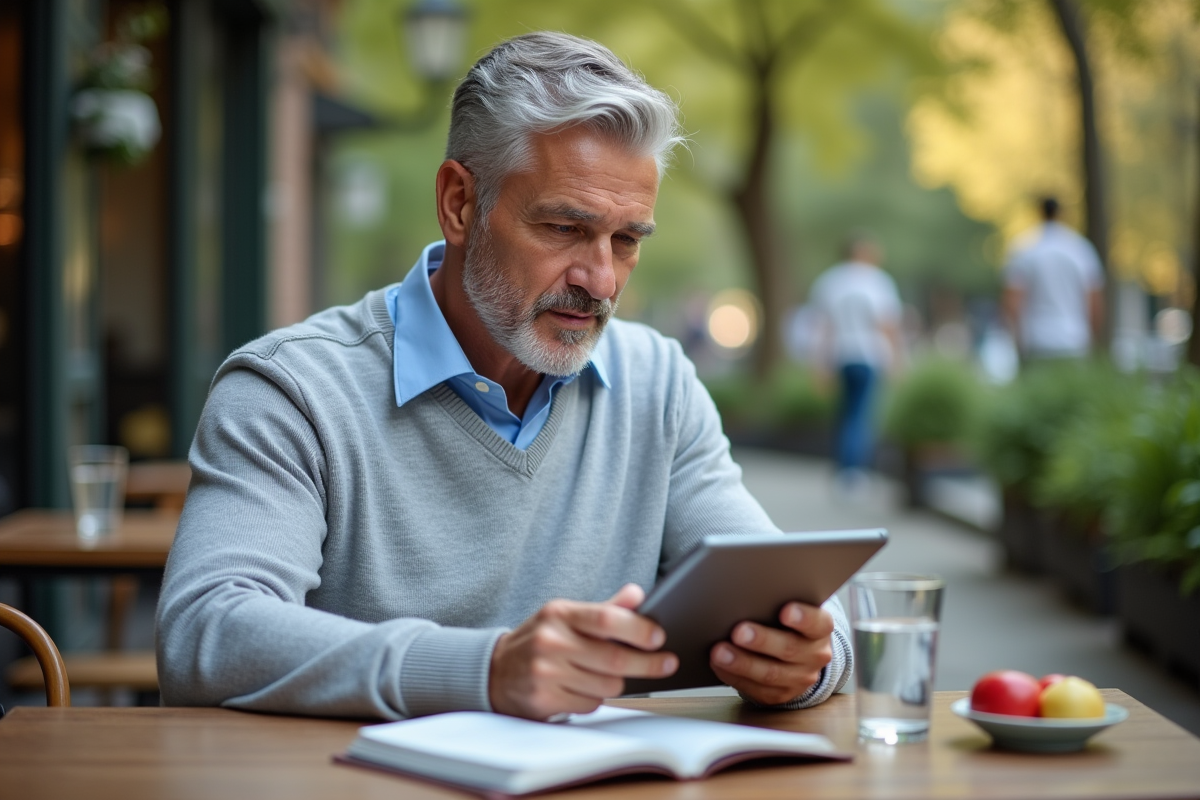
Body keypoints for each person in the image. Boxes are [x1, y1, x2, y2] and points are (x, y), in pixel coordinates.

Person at [156, 32, 852, 722]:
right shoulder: (293, 390)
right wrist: (484, 671)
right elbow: (206, 631)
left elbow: (794, 596)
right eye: (561, 228)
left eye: (628, 239)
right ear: (460, 203)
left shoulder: (658, 383)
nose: (601, 279)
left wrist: (807, 663)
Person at [808, 236, 903, 487]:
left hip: (841, 355)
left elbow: (823, 328)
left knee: (844, 413)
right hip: (869, 355)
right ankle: (854, 471)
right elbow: (887, 324)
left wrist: (820, 365)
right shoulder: (878, 281)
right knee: (861, 415)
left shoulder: (830, 280)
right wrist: (896, 358)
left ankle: (842, 468)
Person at [1003, 197, 1105, 360]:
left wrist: (1017, 341)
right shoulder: (1081, 249)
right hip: (1074, 339)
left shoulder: (1023, 249)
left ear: (1039, 212)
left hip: (1036, 340)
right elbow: (1094, 301)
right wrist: (1092, 339)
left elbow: (1013, 302)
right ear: (1061, 214)